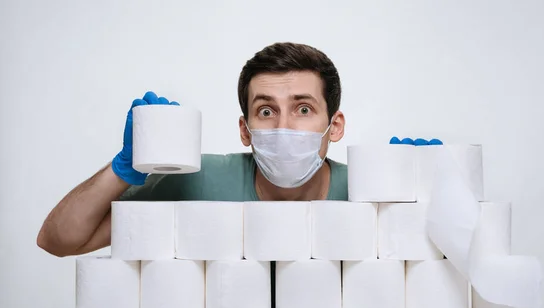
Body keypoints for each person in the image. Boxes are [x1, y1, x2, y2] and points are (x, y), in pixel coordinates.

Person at [37, 42, 348, 257]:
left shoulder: (365, 191)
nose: (284, 127)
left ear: (334, 126)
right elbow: (58, 241)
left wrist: (398, 187)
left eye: (303, 109)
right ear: (245, 130)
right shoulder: (197, 181)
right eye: (266, 111)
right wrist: (122, 169)